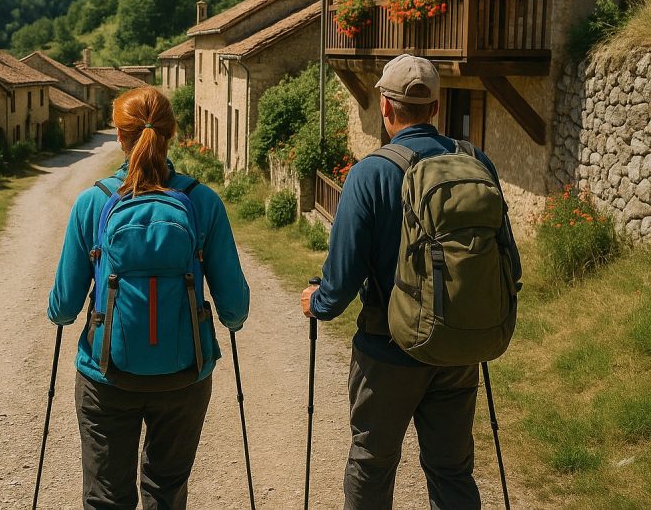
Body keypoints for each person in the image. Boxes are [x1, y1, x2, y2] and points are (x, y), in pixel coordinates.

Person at [300, 55, 520, 510]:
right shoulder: (475, 162)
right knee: (452, 470)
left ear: (385, 106)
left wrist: (316, 302)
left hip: (388, 352)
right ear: (436, 108)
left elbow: (339, 283)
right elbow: (510, 266)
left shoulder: (369, 173)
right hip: (459, 346)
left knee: (372, 463)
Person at [48, 86, 250, 509]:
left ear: (119, 136)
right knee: (166, 491)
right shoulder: (202, 201)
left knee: (106, 497)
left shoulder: (93, 203)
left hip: (106, 375)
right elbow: (235, 309)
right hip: (184, 376)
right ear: (172, 134)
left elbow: (64, 309)